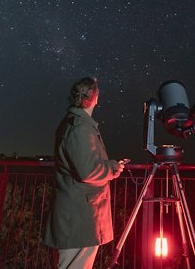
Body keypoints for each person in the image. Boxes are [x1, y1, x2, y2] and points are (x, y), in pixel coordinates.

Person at [43, 77, 127, 269]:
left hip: (79, 215)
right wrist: (113, 168)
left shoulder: (77, 123)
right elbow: (88, 171)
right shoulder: (80, 127)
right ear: (94, 96)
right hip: (79, 217)